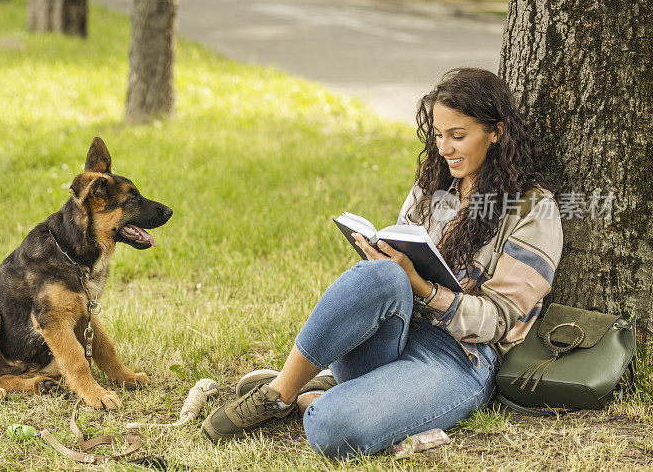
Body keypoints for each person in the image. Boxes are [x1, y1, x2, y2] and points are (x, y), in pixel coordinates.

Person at [202, 68, 564, 459]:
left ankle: (321, 397)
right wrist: (385, 259)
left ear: (497, 131)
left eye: (458, 136)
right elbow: (396, 271)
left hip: (462, 357)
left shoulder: (533, 210)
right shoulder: (434, 186)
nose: (443, 148)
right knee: (383, 274)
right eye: (439, 135)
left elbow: (500, 320)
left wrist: (423, 287)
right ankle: (280, 393)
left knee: (331, 428)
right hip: (399, 330)